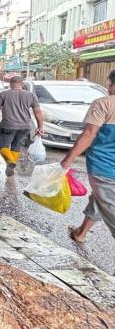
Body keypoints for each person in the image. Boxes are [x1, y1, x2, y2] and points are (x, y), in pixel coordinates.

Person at [60, 69, 115, 243]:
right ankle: (80, 233)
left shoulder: (103, 103)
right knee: (100, 199)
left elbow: (89, 134)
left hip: (104, 168)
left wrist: (66, 162)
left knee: (110, 207)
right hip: (107, 170)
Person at [0, 76, 44, 177]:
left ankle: (11, 162)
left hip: (8, 125)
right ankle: (10, 166)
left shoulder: (4, 94)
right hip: (25, 126)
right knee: (16, 146)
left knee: (2, 146)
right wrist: (40, 127)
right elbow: (38, 112)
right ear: (22, 84)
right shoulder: (31, 95)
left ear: (10, 83)